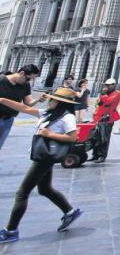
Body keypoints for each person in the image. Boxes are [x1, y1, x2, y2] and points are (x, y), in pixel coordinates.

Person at [0, 87, 83, 243]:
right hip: (42, 155)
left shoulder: (68, 117)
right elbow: (24, 108)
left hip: (45, 158)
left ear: (59, 102)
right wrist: (2, 100)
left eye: (52, 99)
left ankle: (11, 230)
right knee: (45, 189)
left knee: (22, 193)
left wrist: (49, 134)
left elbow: (73, 137)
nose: (49, 101)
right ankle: (70, 211)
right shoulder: (48, 113)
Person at [0, 65, 42, 151]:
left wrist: (38, 99)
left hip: (8, 120)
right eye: (28, 79)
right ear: (22, 73)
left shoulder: (25, 85)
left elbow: (28, 103)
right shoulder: (2, 80)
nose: (29, 81)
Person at [92, 78, 120, 163]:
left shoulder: (117, 93)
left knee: (104, 138)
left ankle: (102, 155)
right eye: (106, 85)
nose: (107, 87)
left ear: (113, 85)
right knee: (96, 137)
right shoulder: (105, 93)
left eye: (109, 85)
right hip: (99, 117)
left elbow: (109, 101)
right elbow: (99, 103)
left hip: (108, 118)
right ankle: (95, 154)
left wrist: (104, 95)